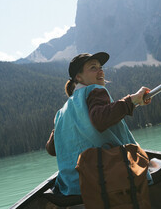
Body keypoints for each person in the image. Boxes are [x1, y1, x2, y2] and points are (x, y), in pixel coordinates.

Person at [45, 52, 152, 196]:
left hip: (72, 188)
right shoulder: (95, 90)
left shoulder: (61, 112)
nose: (100, 70)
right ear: (79, 77)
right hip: (104, 181)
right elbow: (100, 119)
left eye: (101, 67)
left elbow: (51, 149)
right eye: (93, 68)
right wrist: (132, 100)